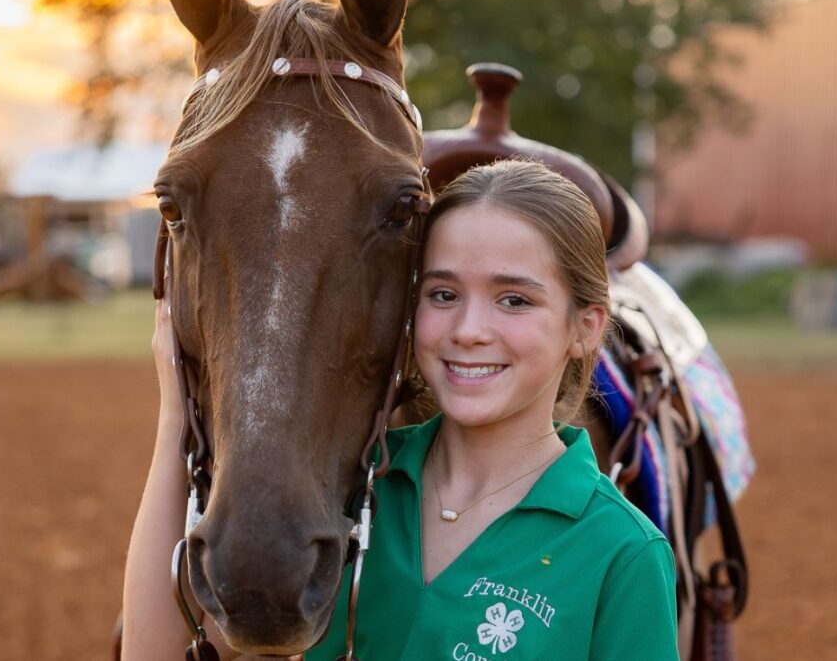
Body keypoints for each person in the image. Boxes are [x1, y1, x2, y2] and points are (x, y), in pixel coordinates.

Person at [125, 159, 678, 660]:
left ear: (585, 328)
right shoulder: (346, 491)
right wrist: (177, 408)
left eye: (514, 299)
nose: (469, 331)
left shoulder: (622, 553)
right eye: (443, 294)